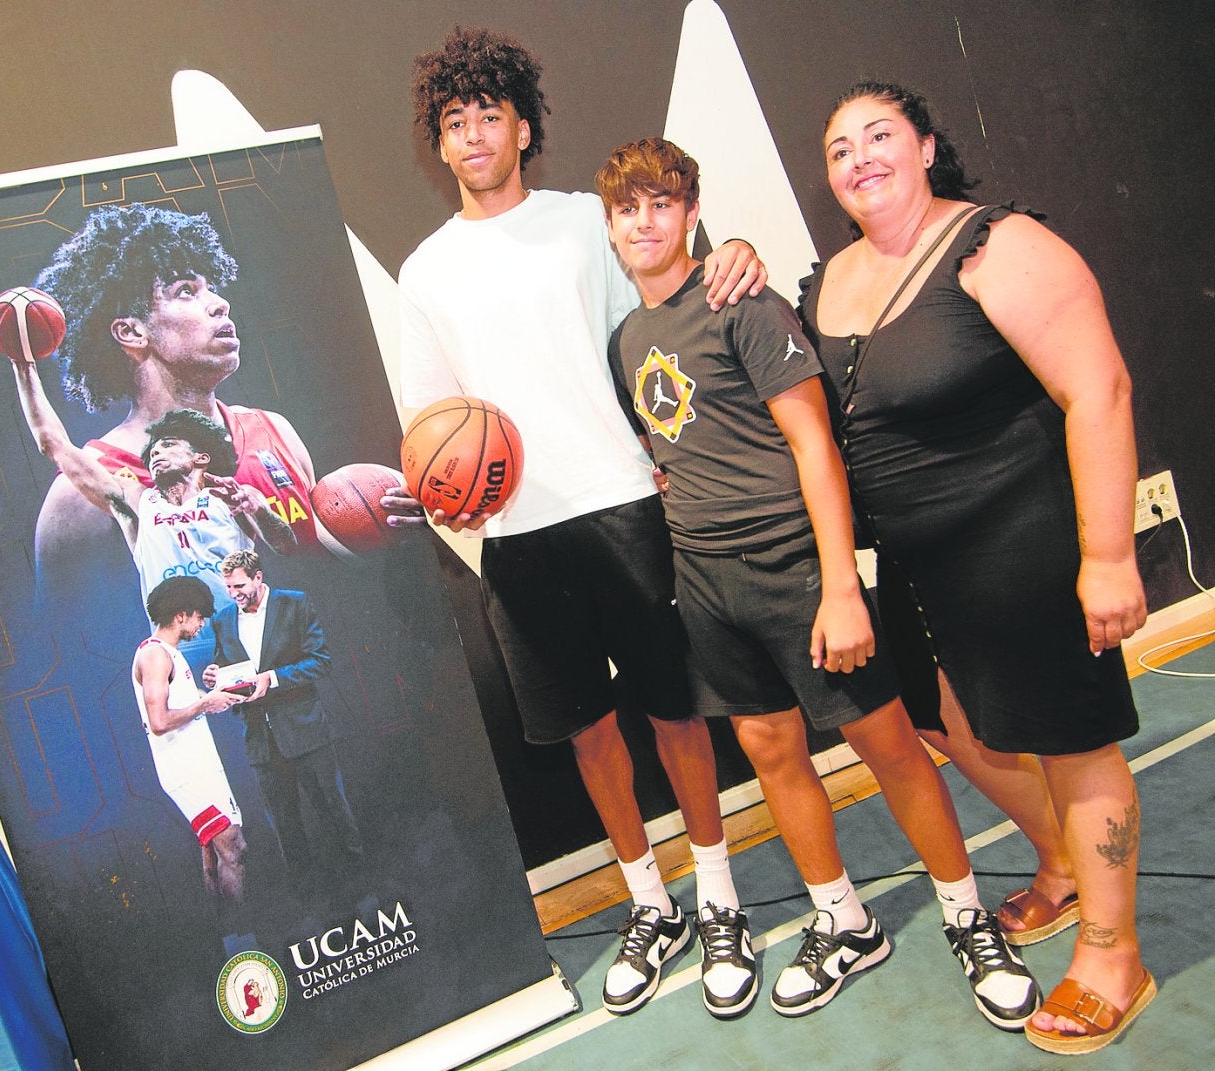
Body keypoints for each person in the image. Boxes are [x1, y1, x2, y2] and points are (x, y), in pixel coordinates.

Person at [598, 137, 1038, 1029]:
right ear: (610, 227)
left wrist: (841, 582)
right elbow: (669, 451)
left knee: (889, 747)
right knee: (769, 751)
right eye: (626, 209)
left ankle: (966, 918)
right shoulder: (626, 340)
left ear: (690, 212)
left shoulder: (740, 303)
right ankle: (843, 920)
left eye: (661, 203)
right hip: (707, 581)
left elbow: (813, 444)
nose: (644, 222)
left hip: (796, 567)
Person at [401, 26, 767, 1019]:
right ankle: (650, 904)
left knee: (673, 709)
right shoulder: (424, 270)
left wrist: (728, 247)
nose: (472, 135)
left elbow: (665, 305)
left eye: (488, 115)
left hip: (624, 501)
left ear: (522, 127)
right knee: (587, 729)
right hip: (516, 534)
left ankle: (719, 892)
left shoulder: (580, 225)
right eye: (452, 122)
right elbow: (434, 424)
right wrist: (451, 486)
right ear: (439, 146)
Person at [799, 82, 1153, 1054]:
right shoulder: (825, 280)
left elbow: (1099, 388)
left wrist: (1108, 554)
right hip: (911, 568)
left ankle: (1113, 953)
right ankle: (1059, 863)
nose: (859, 156)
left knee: (1068, 739)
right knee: (947, 723)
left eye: (878, 135)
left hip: (1019, 546)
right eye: (838, 147)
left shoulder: (996, 246)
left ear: (922, 147)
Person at [32, 202, 423, 595]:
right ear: (132, 333)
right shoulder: (79, 494)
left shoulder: (273, 429)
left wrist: (390, 529)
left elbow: (319, 568)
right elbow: (71, 640)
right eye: (185, 291)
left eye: (210, 288)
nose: (220, 302)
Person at [7, 343, 295, 612]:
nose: (156, 452)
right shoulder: (136, 502)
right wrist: (23, 365)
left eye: (167, 445)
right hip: (175, 647)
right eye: (152, 450)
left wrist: (259, 510)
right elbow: (53, 444)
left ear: (201, 458)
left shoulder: (233, 500)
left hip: (236, 634)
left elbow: (286, 546)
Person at [203, 550, 364, 882]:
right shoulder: (222, 620)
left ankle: (358, 876)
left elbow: (321, 662)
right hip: (261, 741)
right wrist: (215, 677)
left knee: (332, 809)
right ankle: (307, 890)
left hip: (305, 731)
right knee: (284, 822)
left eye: (240, 586)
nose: (234, 594)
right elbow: (229, 670)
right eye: (229, 588)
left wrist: (272, 678)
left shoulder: (294, 603)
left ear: (258, 577)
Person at [133, 576, 249, 903]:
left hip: (199, 765)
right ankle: (243, 933)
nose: (202, 624)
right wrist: (203, 704)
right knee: (235, 849)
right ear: (180, 615)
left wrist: (215, 693)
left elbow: (180, 703)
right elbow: (158, 722)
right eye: (198, 617)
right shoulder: (155, 656)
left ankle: (229, 936)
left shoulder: (168, 653)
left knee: (214, 856)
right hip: (186, 771)